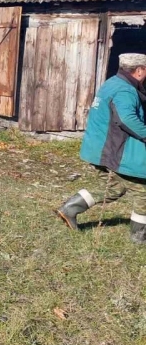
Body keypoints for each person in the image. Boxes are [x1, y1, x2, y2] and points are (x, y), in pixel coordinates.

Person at [56, 53, 146, 244]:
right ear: (139, 71)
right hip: (113, 150)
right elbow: (126, 119)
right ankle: (140, 238)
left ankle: (69, 209)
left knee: (113, 188)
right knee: (142, 191)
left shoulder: (112, 82)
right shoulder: (124, 90)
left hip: (98, 147)